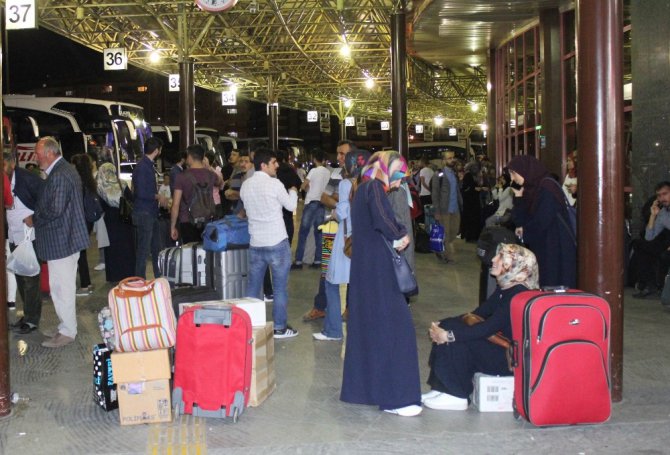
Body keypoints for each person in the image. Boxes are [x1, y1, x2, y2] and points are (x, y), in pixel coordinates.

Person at [340, 151, 421, 417]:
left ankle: (365, 389)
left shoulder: (363, 188)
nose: (400, 182)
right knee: (397, 329)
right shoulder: (375, 188)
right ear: (387, 170)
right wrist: (400, 234)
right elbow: (384, 221)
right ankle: (398, 396)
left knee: (369, 328)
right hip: (379, 269)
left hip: (365, 270)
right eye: (399, 175)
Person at [423, 243, 538, 410]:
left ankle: (456, 394)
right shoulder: (506, 289)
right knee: (451, 326)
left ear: (514, 265)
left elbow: (487, 328)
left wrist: (448, 335)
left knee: (457, 339)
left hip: (508, 359)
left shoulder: (518, 294)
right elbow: (476, 315)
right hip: (500, 349)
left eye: (500, 257)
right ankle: (442, 387)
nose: (493, 259)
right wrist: (443, 325)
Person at [32, 137, 89, 348]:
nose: (36, 158)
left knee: (61, 288)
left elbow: (55, 210)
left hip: (62, 241)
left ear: (48, 153)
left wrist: (35, 218)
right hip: (64, 239)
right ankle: (65, 325)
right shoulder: (64, 170)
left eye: (38, 154)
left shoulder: (60, 174)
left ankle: (68, 331)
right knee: (60, 287)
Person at [240, 148, 299, 339]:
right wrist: (293, 192)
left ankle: (251, 325)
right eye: (274, 162)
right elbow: (291, 206)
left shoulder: (246, 186)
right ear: (264, 165)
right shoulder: (275, 185)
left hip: (256, 243)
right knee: (280, 288)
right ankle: (280, 327)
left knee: (253, 287)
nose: (277, 165)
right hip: (277, 242)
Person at [313, 149, 369, 341]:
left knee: (331, 282)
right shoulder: (372, 184)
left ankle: (333, 330)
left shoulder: (347, 184)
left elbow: (343, 211)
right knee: (360, 285)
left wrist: (334, 212)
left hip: (346, 240)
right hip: (366, 240)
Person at [302, 140, 355, 321]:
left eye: (343, 154)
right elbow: (324, 197)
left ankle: (350, 307)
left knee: (353, 270)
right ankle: (320, 306)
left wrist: (341, 202)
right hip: (332, 229)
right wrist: (343, 203)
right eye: (338, 153)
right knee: (326, 269)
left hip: (351, 232)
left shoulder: (361, 176)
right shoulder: (336, 174)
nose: (339, 157)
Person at [507, 155, 576, 288]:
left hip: (555, 246)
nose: (512, 178)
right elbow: (520, 220)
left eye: (513, 173)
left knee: (553, 283)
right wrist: (518, 197)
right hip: (543, 244)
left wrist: (524, 231)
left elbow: (543, 220)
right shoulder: (531, 189)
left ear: (524, 170)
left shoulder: (547, 187)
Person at [4, 151, 44, 334]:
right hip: (14, 236)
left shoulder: (27, 178)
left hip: (30, 236)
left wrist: (34, 217)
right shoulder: (5, 182)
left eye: (3, 165)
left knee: (31, 279)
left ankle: (32, 320)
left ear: (12, 163)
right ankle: (27, 315)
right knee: (20, 277)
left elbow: (46, 200)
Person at [132, 136, 169, 279]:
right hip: (144, 213)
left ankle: (159, 277)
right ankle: (139, 281)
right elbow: (141, 192)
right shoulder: (143, 167)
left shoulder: (146, 165)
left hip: (150, 213)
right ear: (156, 150)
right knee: (143, 249)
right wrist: (158, 196)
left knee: (156, 248)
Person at [171, 144, 221, 244]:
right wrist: (209, 168)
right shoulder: (210, 175)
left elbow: (175, 205)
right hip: (208, 220)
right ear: (203, 157)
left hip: (188, 221)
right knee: (207, 253)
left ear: (189, 157)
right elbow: (220, 182)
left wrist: (173, 227)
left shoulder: (182, 176)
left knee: (190, 254)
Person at [97, 162, 136, 282]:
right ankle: (129, 273)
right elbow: (131, 199)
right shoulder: (122, 183)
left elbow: (99, 206)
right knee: (127, 246)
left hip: (110, 221)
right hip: (124, 218)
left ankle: (114, 275)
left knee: (112, 248)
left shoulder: (100, 187)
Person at [292, 149, 331, 269]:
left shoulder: (313, 171)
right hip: (322, 203)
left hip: (311, 203)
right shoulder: (328, 172)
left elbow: (303, 186)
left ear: (314, 159)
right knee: (319, 232)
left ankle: (298, 261)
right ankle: (318, 261)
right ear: (324, 160)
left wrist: (307, 187)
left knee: (303, 232)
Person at [632, 181, 670, 298]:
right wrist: (653, 215)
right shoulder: (663, 212)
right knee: (639, 244)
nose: (662, 198)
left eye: (665, 194)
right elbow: (649, 237)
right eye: (659, 195)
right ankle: (649, 285)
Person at [70, 154, 97, 296]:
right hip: (88, 220)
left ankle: (85, 285)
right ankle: (87, 283)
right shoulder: (89, 181)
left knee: (79, 254)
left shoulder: (78, 182)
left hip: (80, 221)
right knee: (82, 253)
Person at [431, 151, 462, 263]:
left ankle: (442, 250)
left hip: (455, 208)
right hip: (444, 209)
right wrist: (437, 211)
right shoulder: (439, 174)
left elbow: (457, 190)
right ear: (443, 161)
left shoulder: (454, 173)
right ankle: (447, 256)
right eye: (449, 158)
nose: (452, 160)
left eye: (453, 158)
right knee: (446, 233)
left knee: (455, 231)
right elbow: (435, 194)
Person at [276, 149, 302, 244]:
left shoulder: (271, 171)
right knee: (287, 226)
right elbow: (297, 183)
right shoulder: (289, 168)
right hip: (286, 203)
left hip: (274, 205)